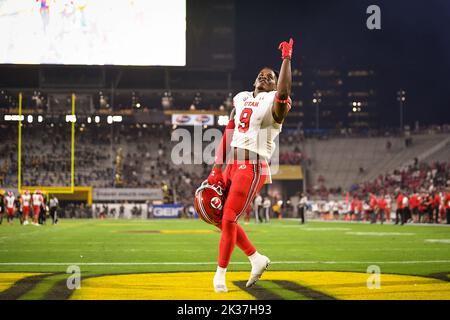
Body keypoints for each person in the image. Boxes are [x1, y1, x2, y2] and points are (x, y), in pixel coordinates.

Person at [205, 38, 294, 292]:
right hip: (232, 163)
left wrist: (286, 59)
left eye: (271, 77)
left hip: (252, 165)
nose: (265, 77)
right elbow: (229, 132)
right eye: (261, 75)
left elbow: (284, 93)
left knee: (230, 219)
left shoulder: (276, 102)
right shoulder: (241, 98)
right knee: (221, 218)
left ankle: (220, 274)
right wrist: (216, 168)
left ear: (276, 84)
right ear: (254, 81)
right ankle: (256, 258)